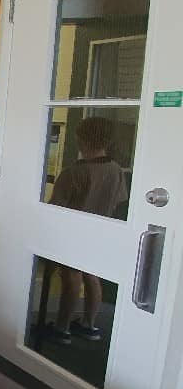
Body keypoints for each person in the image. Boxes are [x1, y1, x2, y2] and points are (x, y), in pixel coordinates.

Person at [45, 116, 127, 344]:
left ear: (82, 139)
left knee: (71, 278)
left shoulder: (73, 173)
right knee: (92, 276)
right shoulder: (116, 170)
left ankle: (62, 328)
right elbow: (119, 201)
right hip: (101, 231)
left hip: (74, 232)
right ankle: (89, 324)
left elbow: (55, 207)